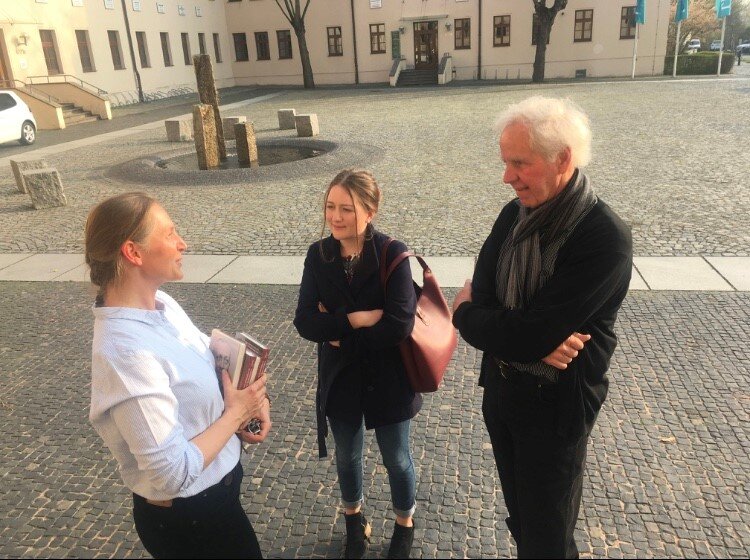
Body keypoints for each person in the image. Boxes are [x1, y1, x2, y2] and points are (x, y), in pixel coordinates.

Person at [451, 96, 632, 559]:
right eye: (505, 162)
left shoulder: (603, 236)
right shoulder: (515, 214)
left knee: (548, 537)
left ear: (562, 159)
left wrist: (474, 317)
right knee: (523, 522)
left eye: (519, 163)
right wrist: (525, 335)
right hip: (504, 395)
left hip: (556, 412)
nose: (507, 177)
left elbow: (495, 317)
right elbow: (499, 308)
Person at [86, 192, 271, 559]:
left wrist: (252, 397)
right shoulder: (126, 353)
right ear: (133, 253)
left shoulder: (161, 304)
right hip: (192, 523)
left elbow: (206, 354)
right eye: (169, 234)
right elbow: (171, 474)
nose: (182, 243)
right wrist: (237, 412)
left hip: (218, 499)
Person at [294, 169, 420, 559]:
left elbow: (399, 323)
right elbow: (304, 320)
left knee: (396, 459)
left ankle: (404, 525)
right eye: (330, 207)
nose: (335, 217)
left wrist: (337, 331)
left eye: (346, 209)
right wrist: (358, 318)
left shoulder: (392, 254)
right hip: (342, 379)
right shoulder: (318, 254)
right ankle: (354, 520)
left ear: (371, 210)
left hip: (389, 379)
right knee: (347, 456)